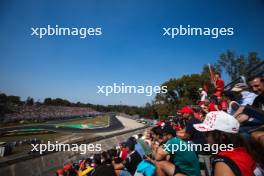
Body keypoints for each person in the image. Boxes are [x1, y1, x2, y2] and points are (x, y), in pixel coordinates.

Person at [193, 111, 260, 176]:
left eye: (207, 133)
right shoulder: (244, 150)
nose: (204, 136)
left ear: (223, 136)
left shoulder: (223, 164)